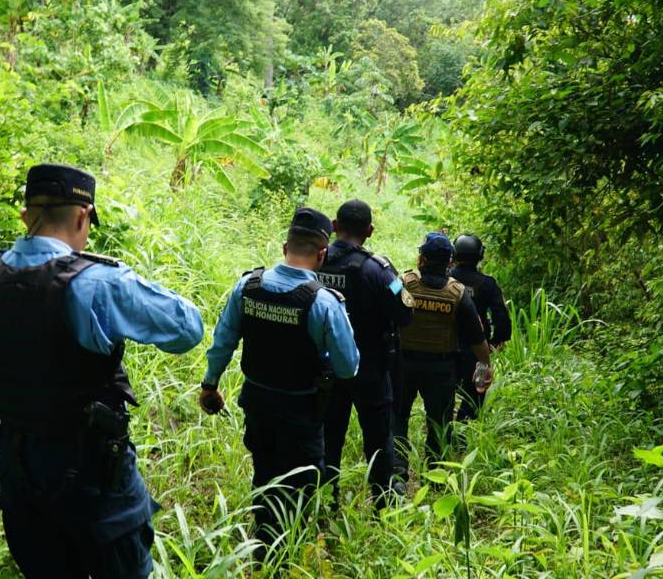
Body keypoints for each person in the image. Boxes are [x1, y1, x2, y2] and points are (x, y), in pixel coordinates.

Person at [0, 164, 204, 579]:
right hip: (95, 472)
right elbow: (188, 329)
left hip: (20, 469)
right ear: (83, 216)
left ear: (25, 216)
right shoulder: (99, 283)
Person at [198, 207, 359, 553]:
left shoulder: (247, 287)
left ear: (285, 247)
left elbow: (223, 341)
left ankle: (264, 547)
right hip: (302, 409)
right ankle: (290, 552)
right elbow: (348, 367)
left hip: (257, 402)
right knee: (302, 483)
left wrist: (210, 385)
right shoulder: (324, 302)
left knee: (264, 473)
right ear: (322, 254)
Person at [315, 200, 412, 507]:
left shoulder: (315, 262)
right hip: (371, 369)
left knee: (328, 437)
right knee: (378, 440)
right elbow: (405, 312)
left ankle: (326, 502)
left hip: (327, 368)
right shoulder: (380, 271)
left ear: (334, 225)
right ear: (369, 231)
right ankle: (383, 502)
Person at [393, 233, 492, 479]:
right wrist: (485, 364)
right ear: (449, 262)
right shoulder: (458, 294)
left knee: (397, 418)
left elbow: (385, 310)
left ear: (422, 259)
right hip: (441, 368)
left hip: (404, 364)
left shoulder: (403, 283)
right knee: (439, 423)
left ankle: (397, 473)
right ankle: (435, 475)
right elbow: (476, 337)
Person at [451, 234, 511, 422]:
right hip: (477, 346)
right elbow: (501, 316)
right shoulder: (487, 284)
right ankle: (462, 433)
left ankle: (442, 430)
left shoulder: (446, 279)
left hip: (446, 344)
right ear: (480, 255)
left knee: (444, 391)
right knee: (475, 395)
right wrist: (495, 342)